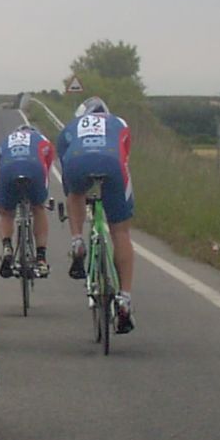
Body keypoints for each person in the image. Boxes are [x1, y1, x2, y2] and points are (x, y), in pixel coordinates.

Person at [54, 96, 136, 333]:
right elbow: (124, 157)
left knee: (75, 194)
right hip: (111, 162)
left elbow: (65, 168)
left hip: (77, 162)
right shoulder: (118, 122)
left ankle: (77, 240)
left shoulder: (70, 127)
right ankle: (125, 298)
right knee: (120, 232)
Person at [0, 123, 56, 279]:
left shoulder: (7, 140)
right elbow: (47, 168)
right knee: (39, 208)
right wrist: (40, 198)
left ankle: (7, 247)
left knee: (6, 213)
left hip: (9, 169)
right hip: (34, 168)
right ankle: (41, 257)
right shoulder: (41, 139)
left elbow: (0, 164)